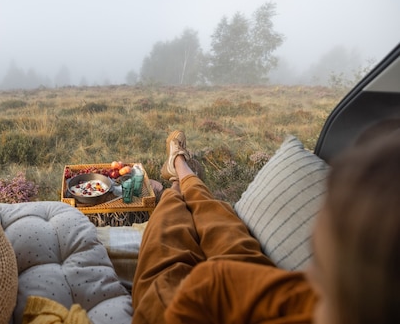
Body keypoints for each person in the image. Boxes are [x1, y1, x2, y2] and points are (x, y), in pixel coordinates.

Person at [132, 129, 400, 324]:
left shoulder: (314, 293)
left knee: (166, 251)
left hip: (217, 297)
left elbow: (208, 285)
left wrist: (209, 281)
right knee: (221, 221)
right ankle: (180, 168)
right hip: (269, 289)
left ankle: (177, 180)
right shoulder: (314, 295)